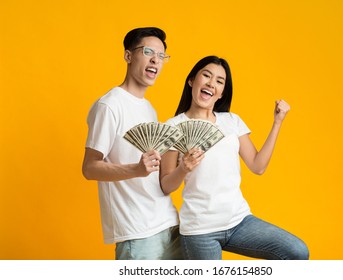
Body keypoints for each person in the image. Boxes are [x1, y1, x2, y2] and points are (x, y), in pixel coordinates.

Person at [159, 56, 309, 260]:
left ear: (221, 93)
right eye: (206, 75)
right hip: (200, 230)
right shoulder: (173, 126)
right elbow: (166, 185)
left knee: (298, 252)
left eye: (219, 81)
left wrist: (277, 122)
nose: (212, 83)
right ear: (191, 81)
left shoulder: (232, 121)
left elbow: (258, 166)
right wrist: (183, 168)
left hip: (239, 222)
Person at [82, 27, 182, 260]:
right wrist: (136, 169)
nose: (156, 60)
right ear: (128, 56)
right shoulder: (109, 106)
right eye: (148, 52)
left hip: (169, 222)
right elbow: (89, 168)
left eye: (161, 56)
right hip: (137, 232)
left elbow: (157, 176)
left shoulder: (149, 108)